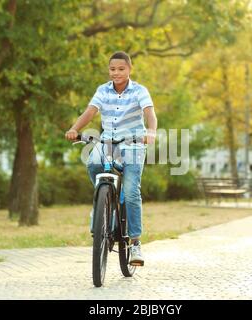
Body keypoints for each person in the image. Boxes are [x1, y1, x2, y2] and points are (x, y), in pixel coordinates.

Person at [65, 51, 157, 266]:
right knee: (93, 163)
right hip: (108, 142)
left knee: (132, 191)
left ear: (129, 69)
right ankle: (102, 201)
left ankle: (135, 243)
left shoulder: (139, 91)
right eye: (112, 69)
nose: (116, 73)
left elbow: (149, 114)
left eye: (121, 69)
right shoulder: (102, 90)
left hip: (133, 142)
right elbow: (90, 112)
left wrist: (150, 132)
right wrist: (74, 128)